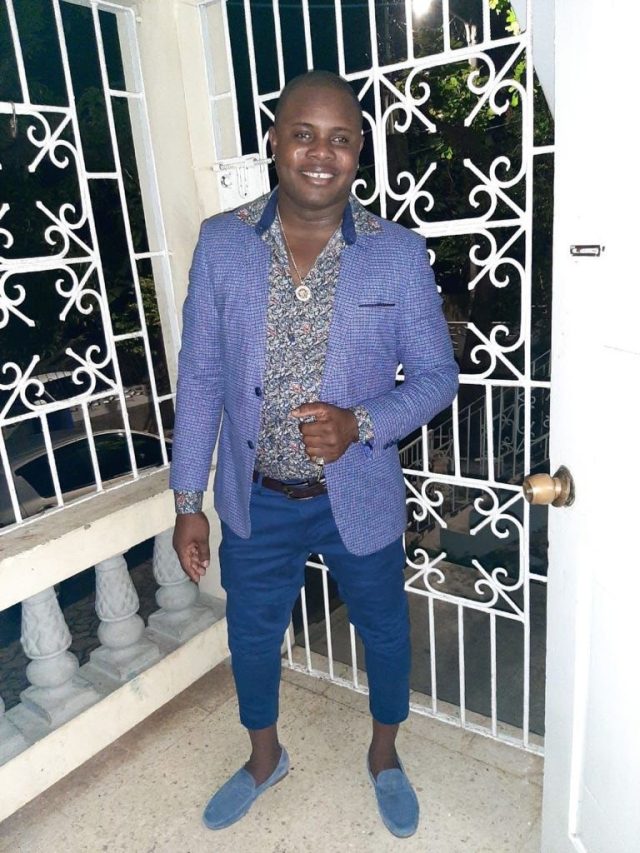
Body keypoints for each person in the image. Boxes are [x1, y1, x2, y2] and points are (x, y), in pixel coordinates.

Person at [170, 69, 459, 838]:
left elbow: (439, 377)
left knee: (385, 631)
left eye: (340, 139)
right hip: (257, 494)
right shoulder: (223, 243)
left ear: (359, 150)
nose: (321, 153)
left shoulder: (397, 254)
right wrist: (188, 501)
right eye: (304, 134)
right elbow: (200, 377)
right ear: (275, 141)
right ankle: (266, 757)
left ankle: (385, 754)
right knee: (251, 635)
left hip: (355, 492)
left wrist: (361, 421)